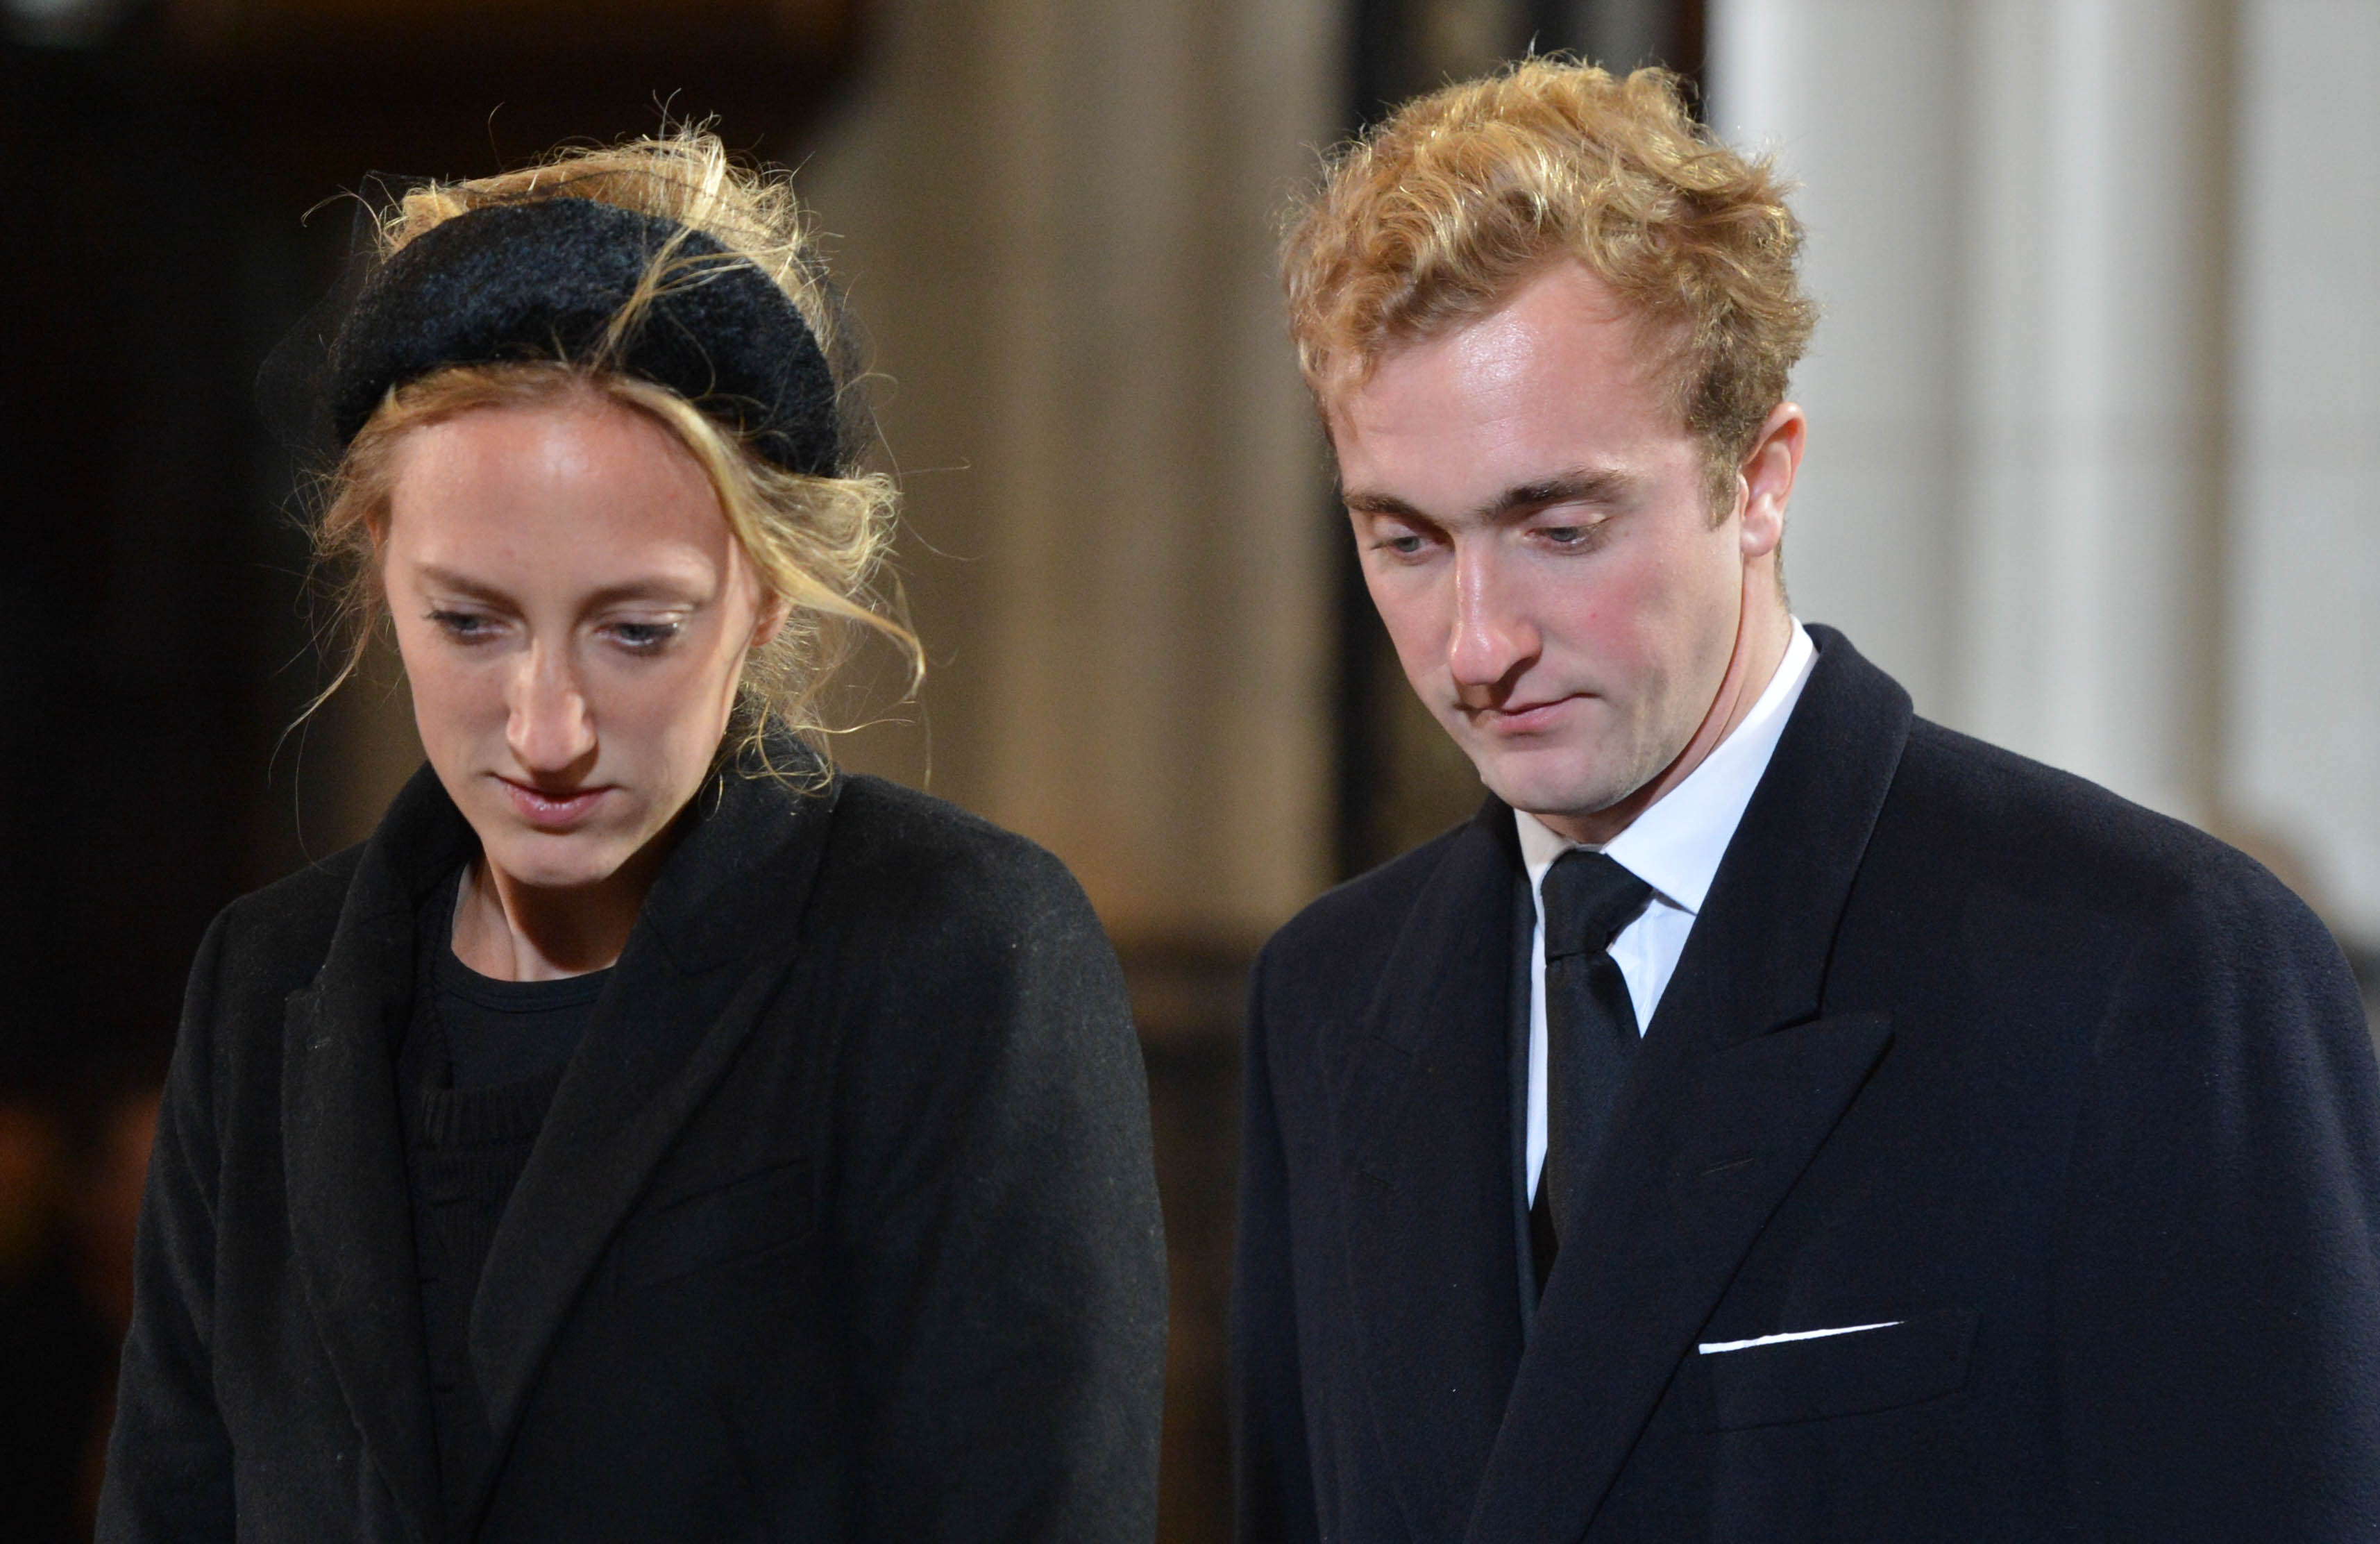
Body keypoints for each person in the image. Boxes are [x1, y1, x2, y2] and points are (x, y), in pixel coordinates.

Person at [1232, 58, 2380, 1541]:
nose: (1474, 643)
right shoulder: (1326, 999)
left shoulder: (2152, 969)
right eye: (1402, 540)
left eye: (1558, 528)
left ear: (1759, 478)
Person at [101, 131, 1167, 1543]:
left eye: (636, 630)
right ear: (377, 568)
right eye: (468, 621)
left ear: (766, 597)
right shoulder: (264, 986)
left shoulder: (954, 958)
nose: (547, 728)